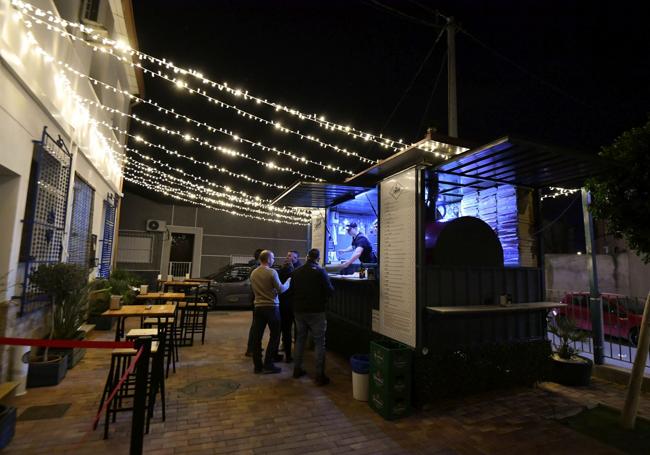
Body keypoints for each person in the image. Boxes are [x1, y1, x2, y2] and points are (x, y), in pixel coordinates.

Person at [290, 248, 334, 386]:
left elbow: (291, 290)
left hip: (299, 311)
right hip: (317, 312)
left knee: (300, 340)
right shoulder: (320, 271)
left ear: (306, 256)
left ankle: (297, 370)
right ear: (318, 258)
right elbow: (330, 291)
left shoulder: (296, 272)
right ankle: (319, 375)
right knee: (320, 342)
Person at [249, 250, 290, 374]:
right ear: (267, 259)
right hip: (272, 308)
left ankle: (257, 366)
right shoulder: (272, 272)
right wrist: (289, 281)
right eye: (272, 258)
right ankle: (268, 363)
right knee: (275, 336)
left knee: (257, 337)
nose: (274, 260)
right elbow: (281, 289)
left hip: (258, 308)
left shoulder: (253, 273)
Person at [278, 250, 301, 362]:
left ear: (296, 258)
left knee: (292, 328)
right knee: (286, 329)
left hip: (291, 304)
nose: (288, 257)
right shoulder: (284, 270)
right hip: (287, 304)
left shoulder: (298, 271)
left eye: (290, 256)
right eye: (287, 255)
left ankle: (293, 349)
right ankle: (288, 352)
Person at [245, 248, 264, 357]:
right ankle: (251, 348)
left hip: (255, 298)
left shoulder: (253, 267)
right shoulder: (256, 268)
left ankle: (255, 346)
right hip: (257, 299)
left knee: (257, 325)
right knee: (256, 326)